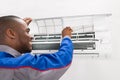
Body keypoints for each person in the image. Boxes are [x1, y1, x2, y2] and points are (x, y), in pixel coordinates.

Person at [0, 15, 73, 80]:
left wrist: (18, 29)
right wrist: (66, 37)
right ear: (11, 33)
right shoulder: (18, 65)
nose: (31, 37)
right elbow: (62, 60)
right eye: (27, 32)